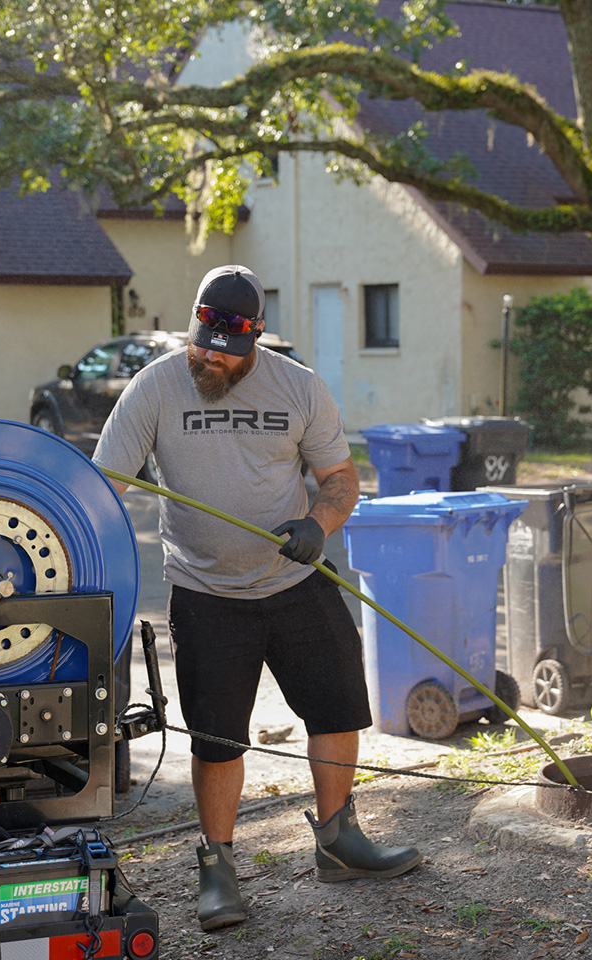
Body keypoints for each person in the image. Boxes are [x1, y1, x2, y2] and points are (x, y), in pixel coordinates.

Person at [93, 265, 422, 932]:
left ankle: (338, 841)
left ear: (257, 336)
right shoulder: (154, 387)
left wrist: (317, 525)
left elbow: (339, 478)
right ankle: (218, 869)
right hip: (206, 593)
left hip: (295, 581)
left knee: (337, 707)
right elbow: (103, 488)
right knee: (217, 739)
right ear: (193, 326)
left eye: (228, 351)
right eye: (204, 346)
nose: (213, 359)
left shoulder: (299, 387)